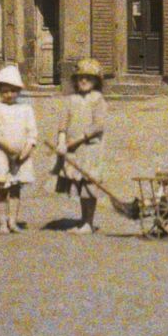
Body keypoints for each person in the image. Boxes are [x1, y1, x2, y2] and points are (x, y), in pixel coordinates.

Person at [54, 57, 108, 234]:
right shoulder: (71, 100)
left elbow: (98, 125)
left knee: (89, 185)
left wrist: (77, 140)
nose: (83, 81)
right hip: (73, 151)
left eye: (88, 78)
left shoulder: (97, 99)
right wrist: (62, 141)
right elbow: (63, 123)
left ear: (96, 81)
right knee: (78, 183)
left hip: (90, 149)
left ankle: (88, 222)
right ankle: (83, 219)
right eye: (80, 78)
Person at [0, 63, 38, 234]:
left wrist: (26, 150)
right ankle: (2, 223)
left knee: (15, 190)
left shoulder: (26, 109)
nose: (9, 95)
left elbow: (32, 132)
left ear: (19, 91)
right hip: (2, 153)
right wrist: (8, 147)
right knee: (3, 189)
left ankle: (13, 221)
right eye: (5, 91)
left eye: (13, 91)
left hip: (21, 156)